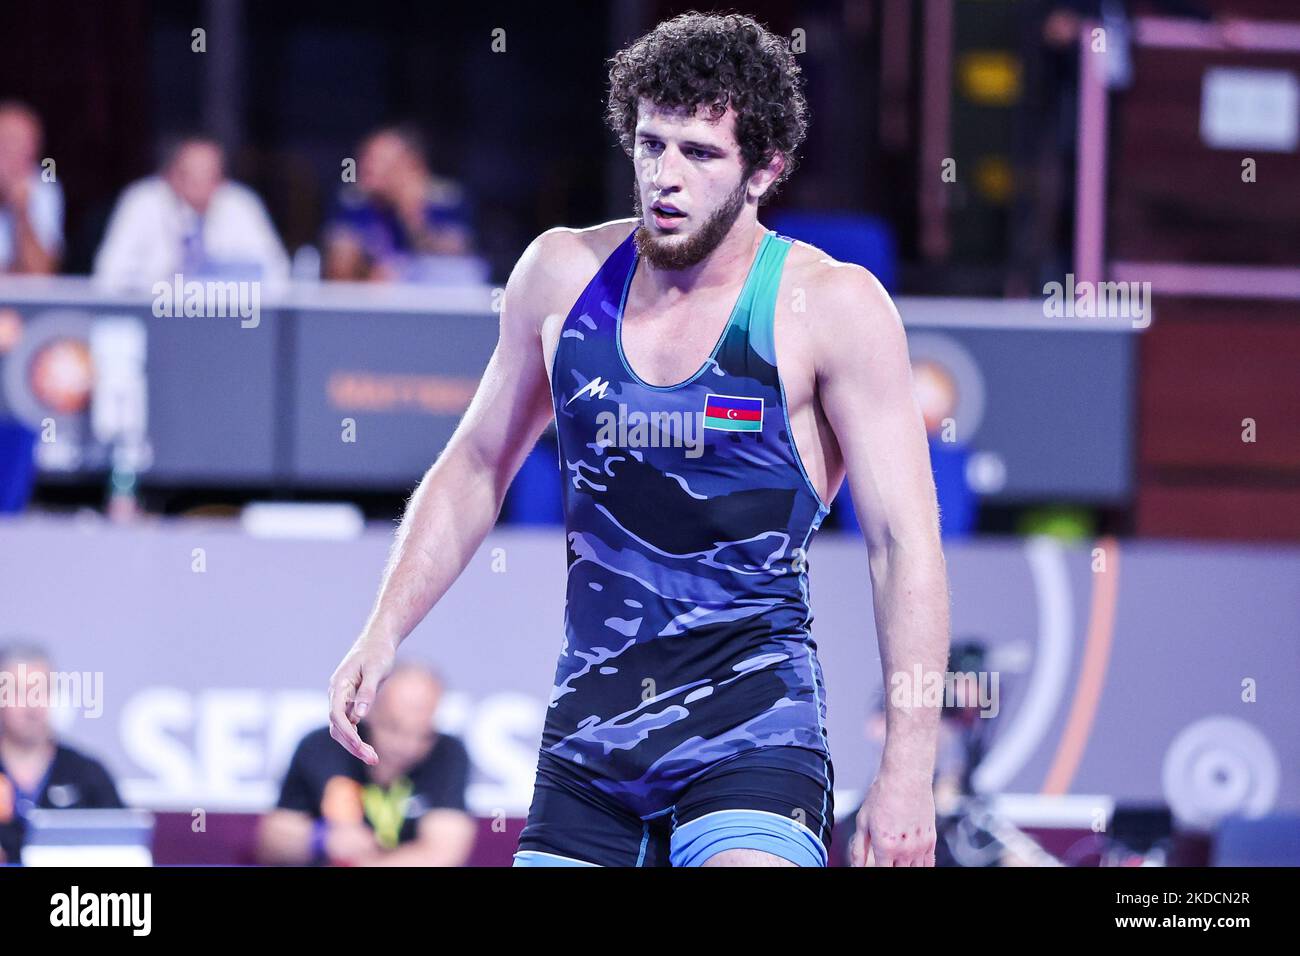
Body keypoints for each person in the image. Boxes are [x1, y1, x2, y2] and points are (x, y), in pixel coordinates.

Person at [328, 11, 949, 868]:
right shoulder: (562, 276)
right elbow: (477, 464)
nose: (666, 176)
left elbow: (902, 544)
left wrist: (909, 768)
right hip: (590, 745)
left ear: (764, 169)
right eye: (651, 145)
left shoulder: (831, 308)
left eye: (700, 153)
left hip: (754, 736)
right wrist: (383, 630)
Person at [258, 662, 475, 866]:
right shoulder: (324, 746)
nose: (406, 746)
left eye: (421, 734)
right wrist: (321, 838)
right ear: (368, 710)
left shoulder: (448, 753)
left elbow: (444, 852)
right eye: (393, 728)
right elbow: (271, 841)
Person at [93, 134, 289, 289]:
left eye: (209, 175)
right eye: (189, 175)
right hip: (157, 316)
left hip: (226, 320)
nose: (200, 184)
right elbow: (108, 275)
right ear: (170, 175)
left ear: (222, 179)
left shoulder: (240, 204)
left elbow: (277, 275)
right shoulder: (142, 201)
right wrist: (168, 283)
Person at [0, 643, 125, 864]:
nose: (32, 706)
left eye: (42, 690)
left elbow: (125, 851)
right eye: (19, 692)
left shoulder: (88, 774)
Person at [323, 124, 475, 281]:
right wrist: (368, 271)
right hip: (370, 298)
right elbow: (338, 267)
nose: (366, 167)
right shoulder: (352, 201)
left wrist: (412, 214)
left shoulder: (446, 199)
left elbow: (456, 261)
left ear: (412, 165)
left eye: (379, 160)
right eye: (365, 157)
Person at [0, 101, 62, 275]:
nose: (15, 153)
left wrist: (21, 213)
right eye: (7, 142)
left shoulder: (44, 185)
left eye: (24, 144)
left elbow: (40, 273)